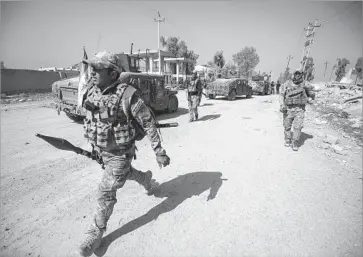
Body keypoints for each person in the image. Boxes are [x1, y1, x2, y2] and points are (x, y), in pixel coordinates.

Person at [78, 51, 170, 256]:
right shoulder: (93, 91)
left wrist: (159, 151)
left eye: (97, 69)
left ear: (112, 73)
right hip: (103, 150)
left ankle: (96, 232)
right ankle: (146, 179)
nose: (92, 72)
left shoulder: (128, 95)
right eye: (91, 68)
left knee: (106, 190)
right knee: (125, 173)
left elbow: (148, 123)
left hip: (121, 153)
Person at [279, 69, 315, 151]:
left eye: (299, 74)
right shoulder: (287, 84)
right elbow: (281, 95)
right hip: (288, 109)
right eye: (296, 73)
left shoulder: (305, 84)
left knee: (298, 127)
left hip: (300, 110)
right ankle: (287, 139)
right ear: (293, 74)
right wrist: (282, 105)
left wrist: (310, 98)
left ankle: (295, 141)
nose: (297, 75)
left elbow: (312, 94)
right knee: (287, 126)